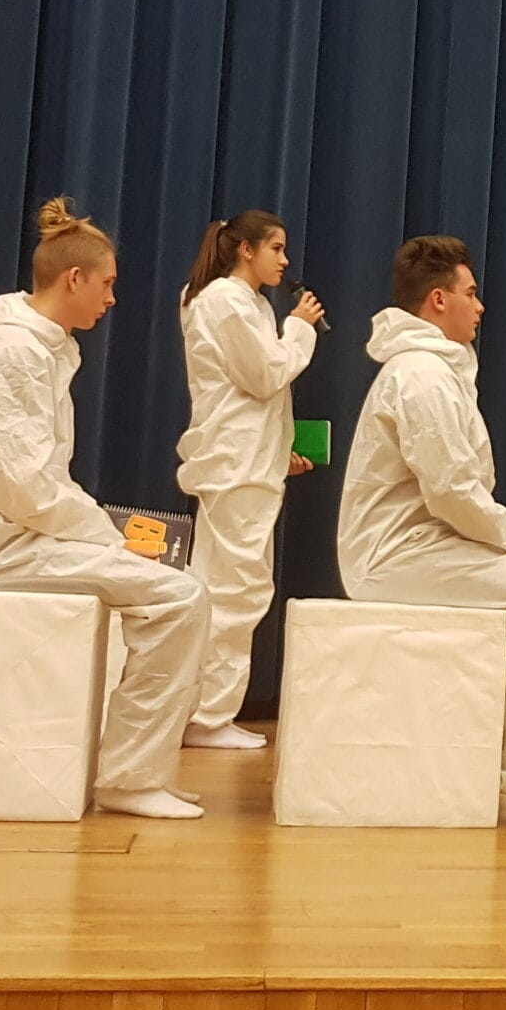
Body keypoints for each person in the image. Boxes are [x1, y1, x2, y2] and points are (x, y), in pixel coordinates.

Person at [0, 198, 210, 820]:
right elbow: (24, 489)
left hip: (18, 532)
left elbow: (35, 484)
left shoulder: (40, 352)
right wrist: (109, 536)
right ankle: (131, 777)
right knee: (180, 597)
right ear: (74, 279)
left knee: (179, 583)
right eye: (106, 284)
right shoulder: (10, 354)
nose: (112, 299)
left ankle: (138, 769)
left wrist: (104, 533)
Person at [339, 236, 506, 825]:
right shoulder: (422, 376)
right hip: (396, 554)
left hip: (419, 543)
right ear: (439, 300)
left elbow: (456, 493)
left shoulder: (431, 370)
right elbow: (452, 492)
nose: (481, 306)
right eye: (471, 293)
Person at [175, 210, 324, 751]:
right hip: (235, 465)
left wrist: (280, 451)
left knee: (225, 584)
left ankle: (200, 709)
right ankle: (207, 714)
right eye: (276, 248)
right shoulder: (225, 301)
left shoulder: (246, 303)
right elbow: (264, 375)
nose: (285, 260)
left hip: (245, 460)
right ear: (246, 250)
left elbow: (252, 393)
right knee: (235, 588)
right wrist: (300, 328)